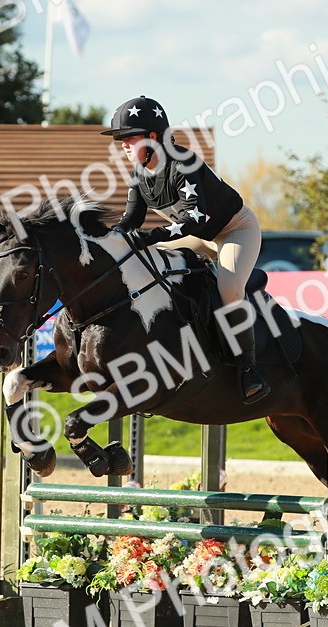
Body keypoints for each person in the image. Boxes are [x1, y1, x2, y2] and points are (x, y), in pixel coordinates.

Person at [101, 96, 270, 404]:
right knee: (148, 264)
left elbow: (196, 216)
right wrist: (106, 239)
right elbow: (132, 220)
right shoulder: (139, 174)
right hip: (196, 236)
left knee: (230, 288)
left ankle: (249, 370)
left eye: (129, 138)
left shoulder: (182, 163)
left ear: (153, 137)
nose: (123, 145)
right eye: (120, 140)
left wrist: (151, 236)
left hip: (234, 231)